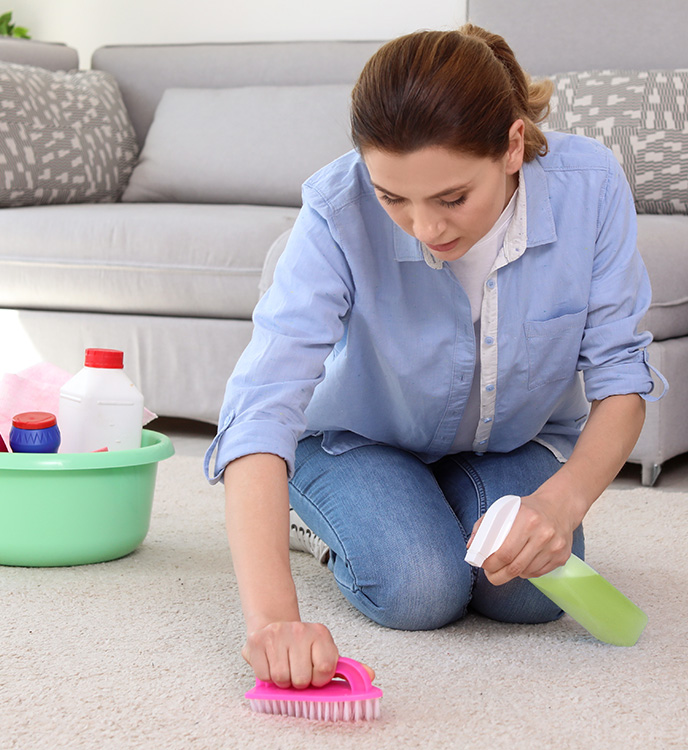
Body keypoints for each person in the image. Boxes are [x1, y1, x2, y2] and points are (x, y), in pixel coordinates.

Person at [205, 24, 664, 690]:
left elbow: (624, 378)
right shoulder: (336, 210)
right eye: (393, 198)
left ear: (511, 146)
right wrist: (272, 621)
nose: (426, 229)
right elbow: (261, 403)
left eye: (452, 198)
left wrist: (559, 507)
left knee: (530, 595)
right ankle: (321, 518)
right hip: (357, 440)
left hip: (507, 443)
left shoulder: (589, 185)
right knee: (421, 589)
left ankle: (436, 507)